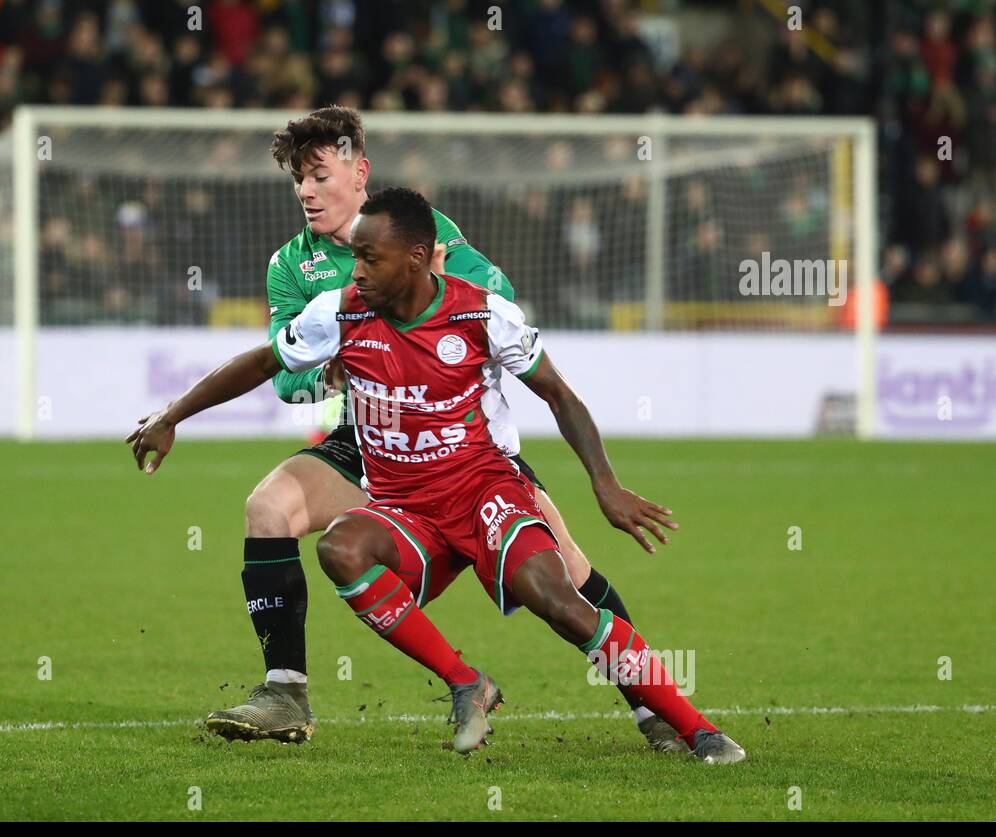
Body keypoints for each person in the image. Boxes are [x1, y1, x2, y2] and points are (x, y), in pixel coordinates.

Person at [130, 187, 745, 763]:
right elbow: (262, 363)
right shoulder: (338, 313)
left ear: (417, 259)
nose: (359, 272)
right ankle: (465, 682)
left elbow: (560, 395)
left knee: (560, 599)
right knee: (341, 546)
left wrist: (604, 484)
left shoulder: (481, 315)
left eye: (370, 259)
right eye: (355, 260)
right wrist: (172, 416)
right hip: (405, 508)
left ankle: (697, 729)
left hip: (483, 495)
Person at [210, 106, 679, 751]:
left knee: (566, 576)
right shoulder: (291, 266)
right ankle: (285, 692)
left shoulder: (426, 236)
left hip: (460, 441)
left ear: (358, 172)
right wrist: (331, 375)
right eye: (298, 179)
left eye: (318, 174)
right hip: (367, 434)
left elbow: (496, 297)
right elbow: (283, 373)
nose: (305, 190)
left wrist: (414, 323)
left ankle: (650, 708)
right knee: (267, 507)